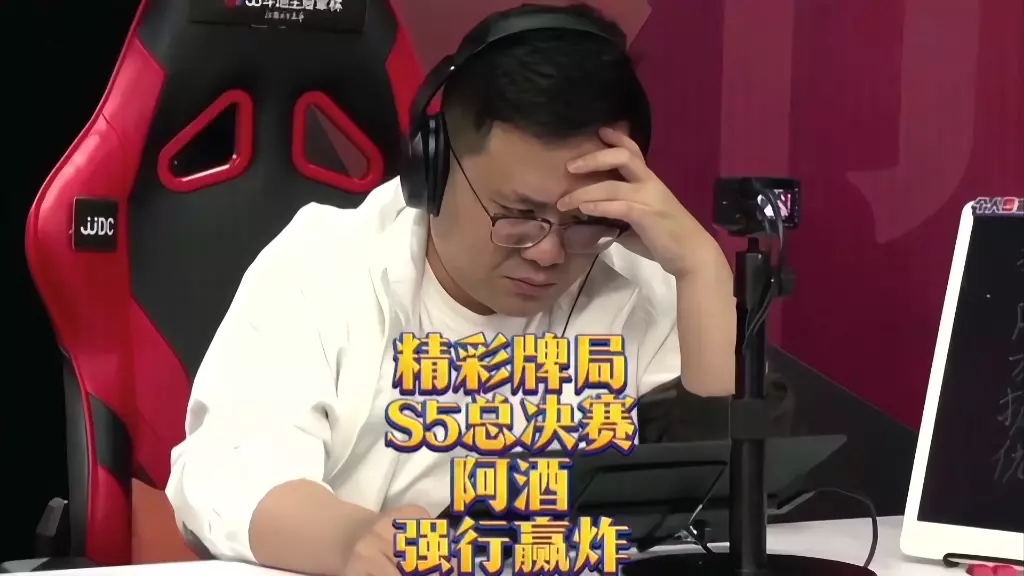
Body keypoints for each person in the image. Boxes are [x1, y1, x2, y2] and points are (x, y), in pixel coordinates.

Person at [166, 3, 737, 575]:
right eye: (518, 215)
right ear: (432, 172)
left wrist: (703, 273)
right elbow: (230, 475)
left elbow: (714, 500)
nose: (548, 253)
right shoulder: (325, 265)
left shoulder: (636, 282)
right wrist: (352, 540)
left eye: (584, 219)